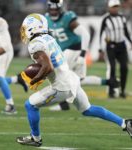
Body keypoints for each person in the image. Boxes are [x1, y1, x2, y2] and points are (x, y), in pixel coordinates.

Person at [16, 13, 132, 147]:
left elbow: (48, 66)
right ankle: (125, 123)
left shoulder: (35, 44)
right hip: (72, 78)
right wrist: (40, 74)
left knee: (30, 105)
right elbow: (48, 64)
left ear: (33, 28)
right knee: (87, 109)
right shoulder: (48, 37)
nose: (24, 31)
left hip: (61, 86)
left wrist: (35, 79)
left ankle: (35, 138)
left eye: (25, 28)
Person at [45, 0, 119, 111]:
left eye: (55, 9)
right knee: (80, 80)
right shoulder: (46, 18)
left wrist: (83, 55)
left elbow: (85, 34)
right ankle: (110, 82)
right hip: (70, 52)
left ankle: (63, 104)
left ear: (60, 8)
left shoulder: (67, 18)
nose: (53, 12)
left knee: (59, 77)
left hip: (72, 51)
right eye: (52, 9)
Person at [0, 0, 27, 114]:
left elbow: (5, 46)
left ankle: (10, 105)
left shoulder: (0, 23)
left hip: (4, 52)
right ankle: (17, 79)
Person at [99, 0, 132, 98]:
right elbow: (101, 34)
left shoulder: (122, 17)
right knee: (112, 68)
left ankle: (122, 90)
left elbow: (126, 31)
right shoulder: (105, 19)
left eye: (117, 6)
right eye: (113, 7)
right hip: (111, 46)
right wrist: (100, 49)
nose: (115, 8)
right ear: (109, 7)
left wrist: (130, 42)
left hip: (121, 46)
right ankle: (111, 91)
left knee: (124, 68)